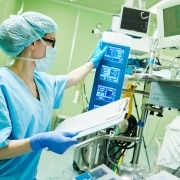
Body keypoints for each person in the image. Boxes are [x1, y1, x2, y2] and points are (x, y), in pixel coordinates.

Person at [0, 11, 107, 179]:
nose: (53, 48)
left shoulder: (42, 82)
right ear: (33, 43)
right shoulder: (2, 84)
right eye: (52, 41)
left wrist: (93, 62)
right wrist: (38, 142)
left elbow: (73, 78)